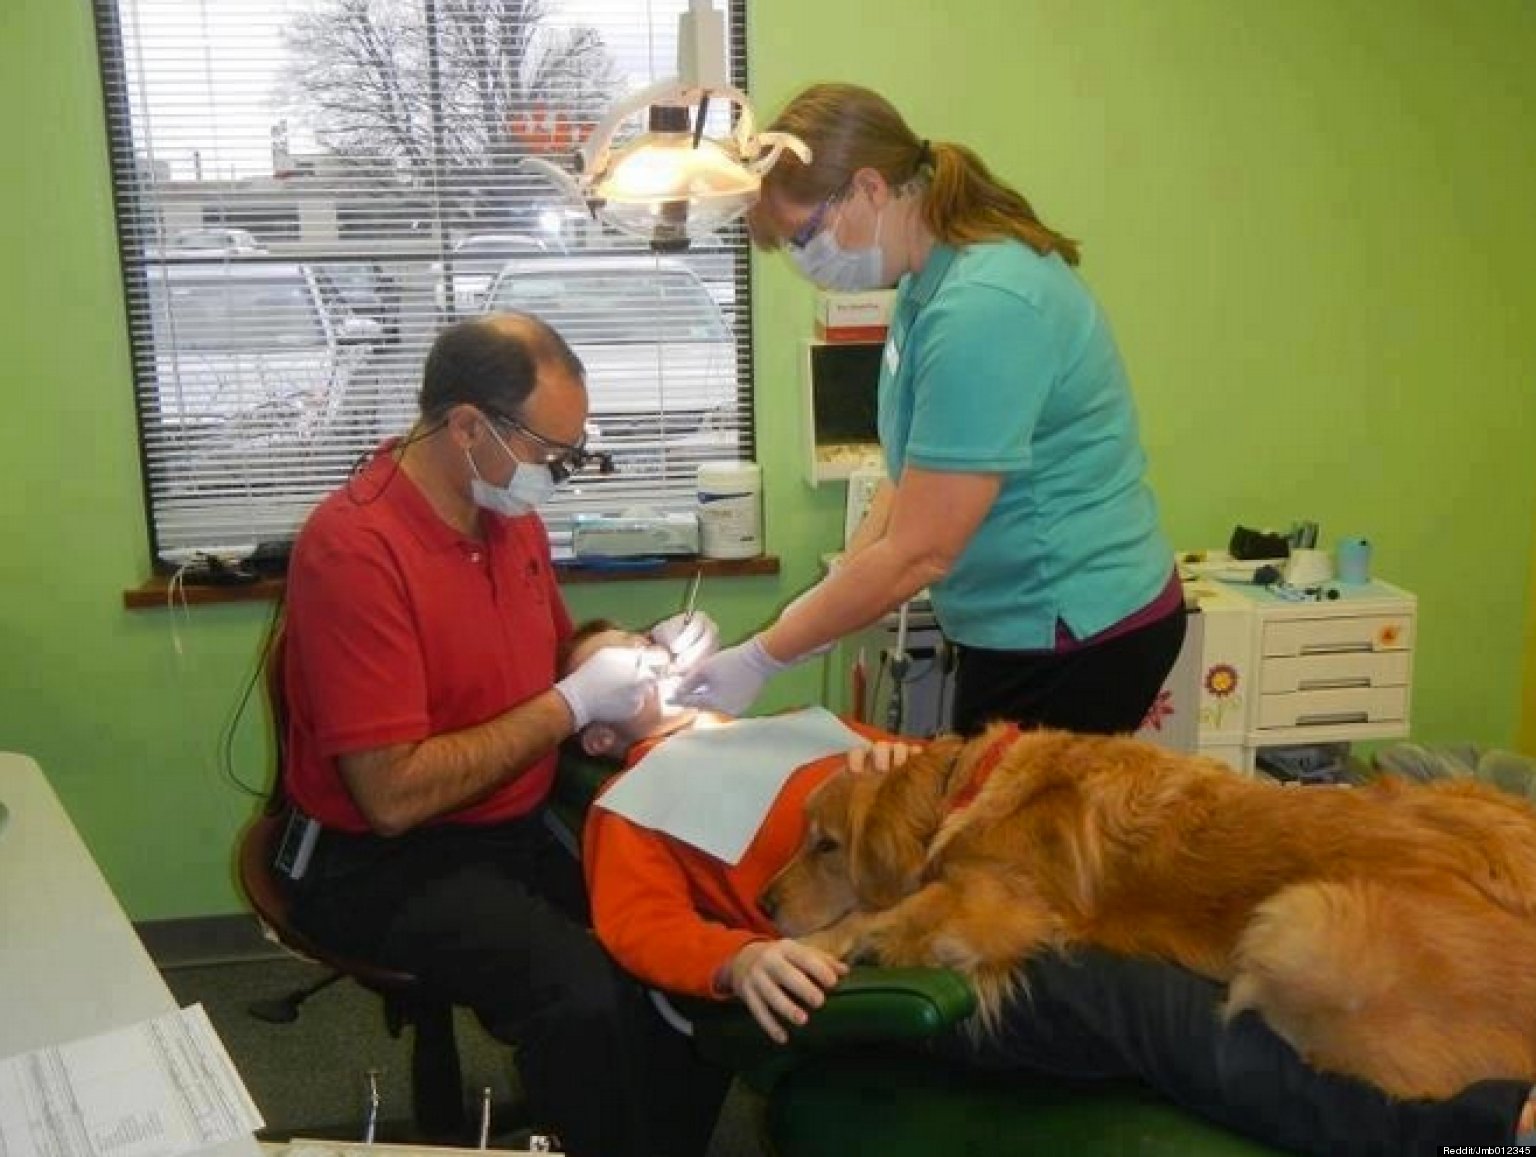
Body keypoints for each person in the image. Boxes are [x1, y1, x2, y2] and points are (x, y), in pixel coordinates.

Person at [568, 623, 1536, 1156]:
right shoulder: (628, 801)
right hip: (875, 968)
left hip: (971, 890)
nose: (651, 658)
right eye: (617, 667)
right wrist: (739, 958)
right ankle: (1468, 1133)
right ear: (597, 733)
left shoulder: (786, 722)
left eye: (653, 643)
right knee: (1151, 1005)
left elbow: (944, 786)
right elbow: (637, 927)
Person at [278, 315, 725, 1157]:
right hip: (386, 857)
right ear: (468, 426)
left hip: (514, 817)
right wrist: (567, 704)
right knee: (584, 994)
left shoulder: (503, 509)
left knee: (690, 927)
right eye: (550, 451)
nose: (557, 472)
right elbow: (391, 796)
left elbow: (550, 656)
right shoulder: (354, 551)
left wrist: (627, 654)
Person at [677, 83, 1186, 736]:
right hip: (1019, 619)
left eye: (804, 235)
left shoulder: (984, 304)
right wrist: (829, 604)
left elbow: (920, 554)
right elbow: (913, 468)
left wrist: (764, 654)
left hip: (1074, 629)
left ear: (869, 188)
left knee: (1003, 833)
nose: (804, 262)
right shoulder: (926, 281)